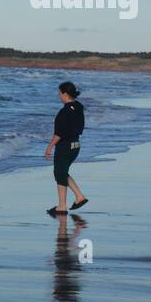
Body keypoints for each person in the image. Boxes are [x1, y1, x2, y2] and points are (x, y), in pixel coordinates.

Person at [44, 81, 88, 216]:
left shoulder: (64, 112)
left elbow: (59, 134)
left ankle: (62, 206)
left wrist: (49, 148)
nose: (59, 96)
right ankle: (79, 197)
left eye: (59, 93)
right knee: (62, 172)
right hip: (76, 145)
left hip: (65, 146)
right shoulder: (79, 107)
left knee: (59, 173)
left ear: (65, 93)